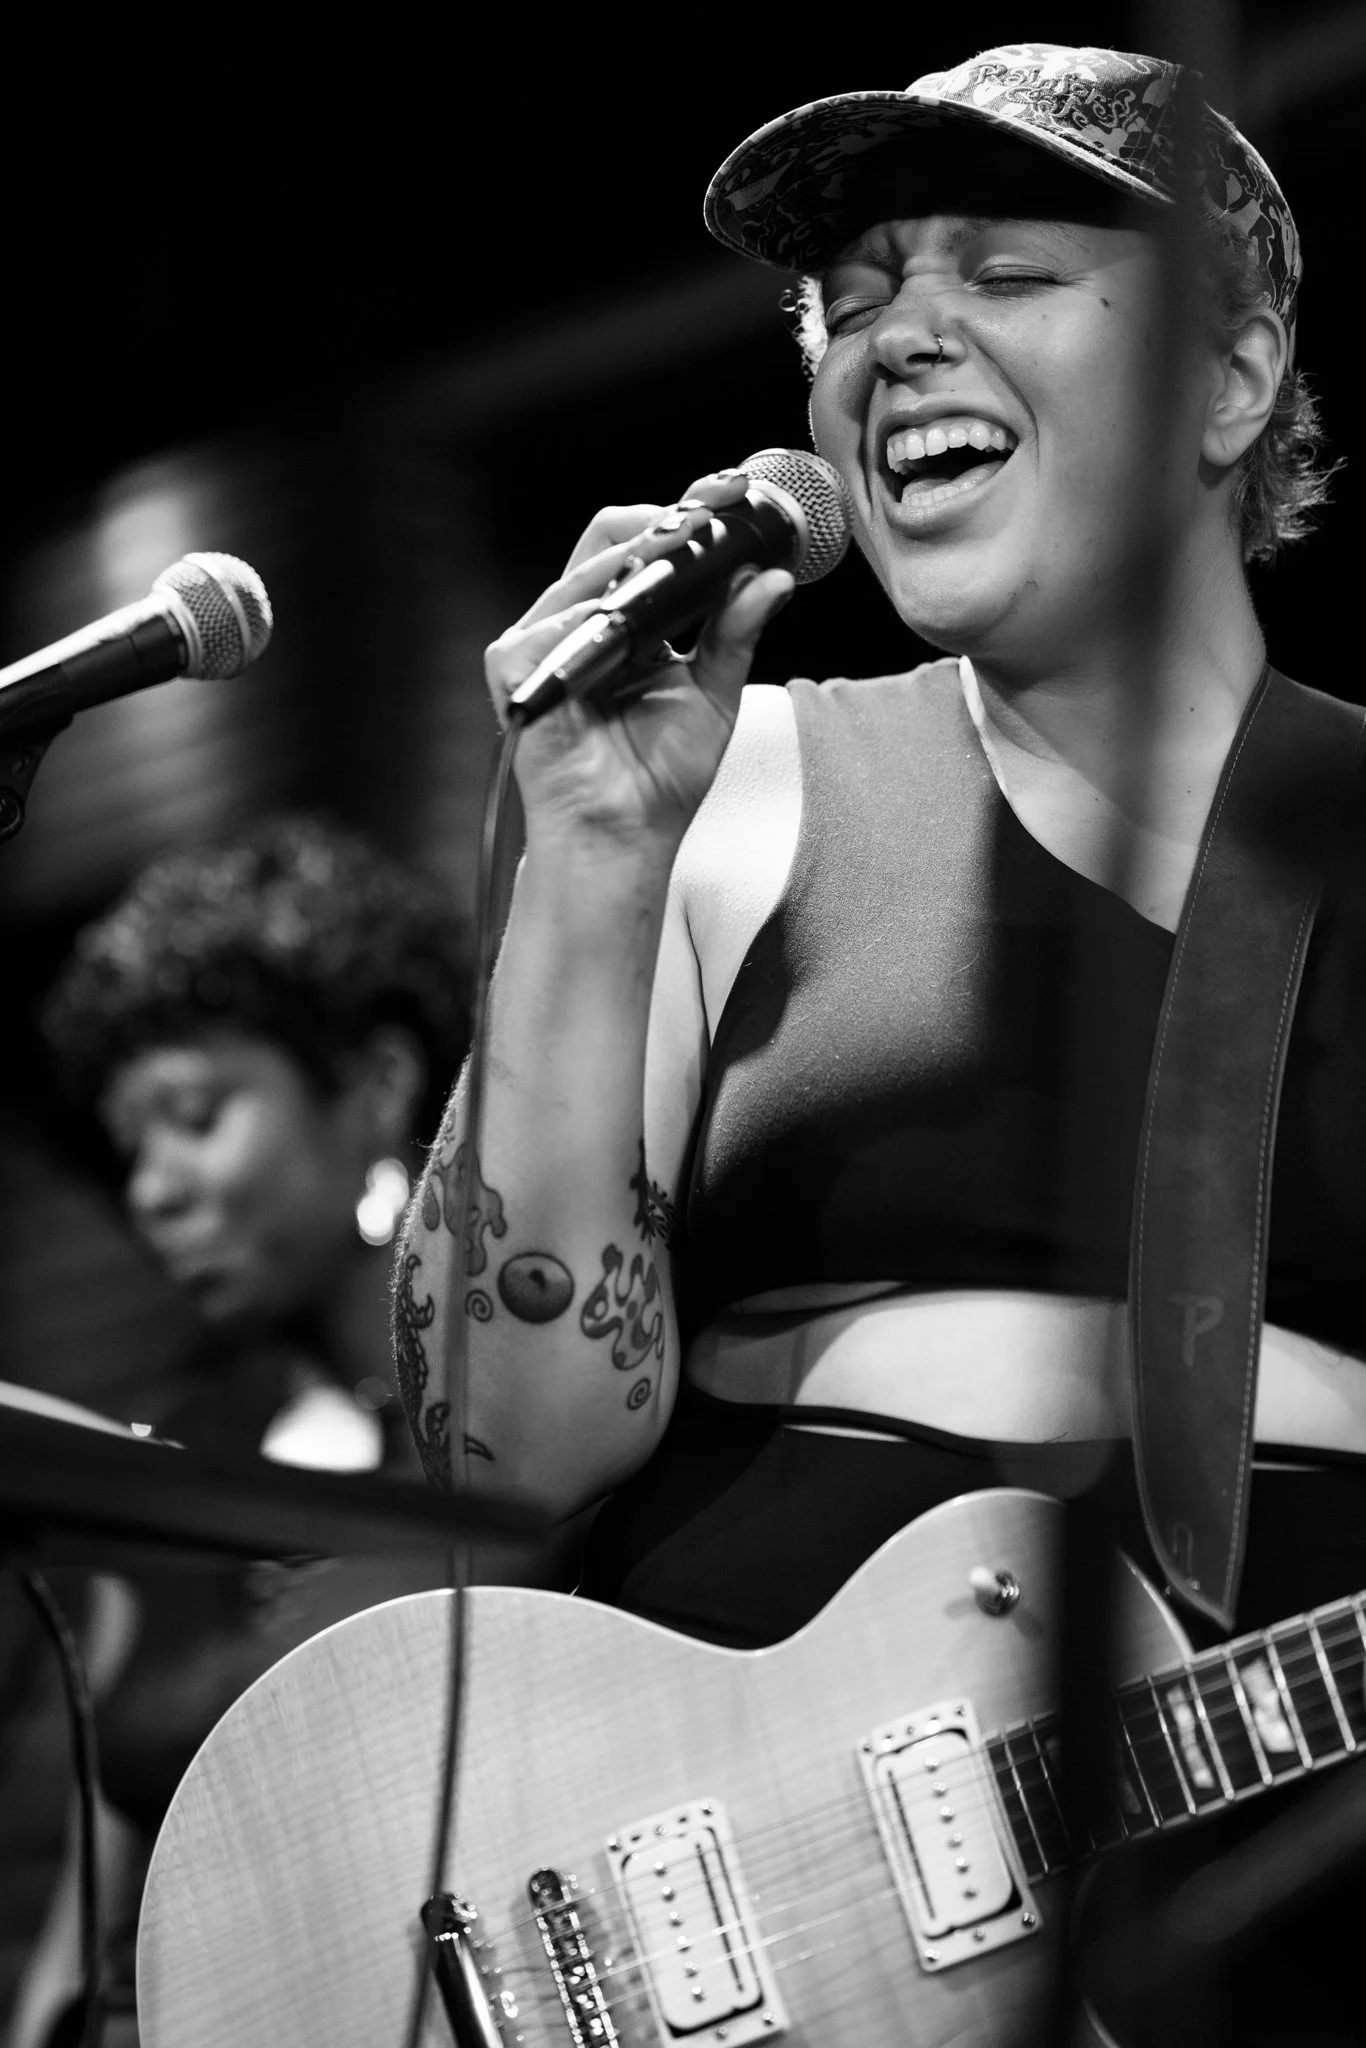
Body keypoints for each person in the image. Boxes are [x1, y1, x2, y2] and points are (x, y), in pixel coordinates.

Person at [396, 43, 1365, 2042]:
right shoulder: (727, 796)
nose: (895, 335)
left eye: (999, 274)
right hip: (700, 1938)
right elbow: (493, 1453)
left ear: (1225, 379)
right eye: (848, 301)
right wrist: (582, 860)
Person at [7, 814, 476, 2048]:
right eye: (129, 1147)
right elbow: (90, 1909)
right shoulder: (168, 1463)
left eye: (196, 1112)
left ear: (373, 1085)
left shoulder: (513, 1431)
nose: (152, 1184)